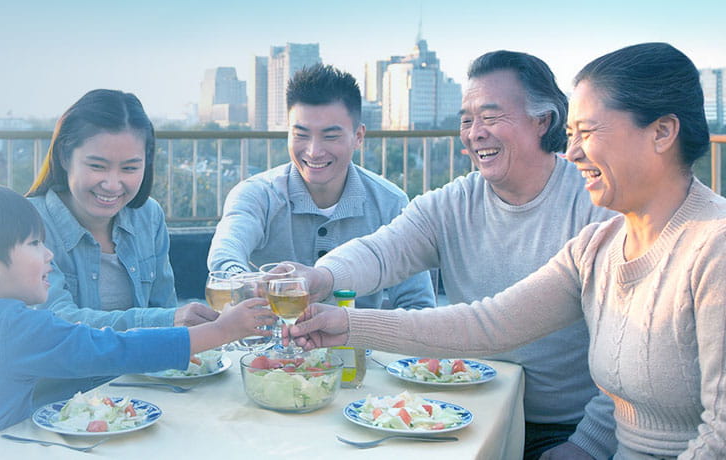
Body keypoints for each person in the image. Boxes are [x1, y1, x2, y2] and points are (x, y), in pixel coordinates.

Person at [288, 42, 723, 460]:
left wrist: (589, 442)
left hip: (567, 430)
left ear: (662, 132)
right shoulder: (599, 246)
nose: (572, 150)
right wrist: (340, 312)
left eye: (586, 132)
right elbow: (486, 324)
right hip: (478, 407)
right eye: (572, 134)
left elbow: (717, 436)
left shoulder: (705, 244)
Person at [0, 184, 273, 460]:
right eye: (35, 244)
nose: (49, 254)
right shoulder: (12, 325)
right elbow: (110, 349)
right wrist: (221, 331)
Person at [207, 64, 435, 311]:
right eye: (301, 135)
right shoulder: (257, 194)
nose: (314, 151)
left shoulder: (390, 202)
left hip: (356, 345)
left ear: (358, 136)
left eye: (330, 136)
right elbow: (225, 255)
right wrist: (247, 283)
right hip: (270, 344)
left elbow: (418, 304)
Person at [26, 89, 215, 329]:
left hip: (144, 367)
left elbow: (164, 307)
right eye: (97, 166)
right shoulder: (29, 223)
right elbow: (55, 321)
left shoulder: (148, 216)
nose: (112, 185)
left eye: (129, 168)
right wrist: (166, 320)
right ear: (64, 156)